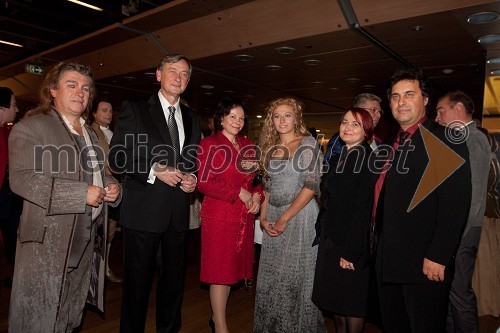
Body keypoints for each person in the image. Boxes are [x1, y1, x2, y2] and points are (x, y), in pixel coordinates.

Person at [8, 62, 121, 332]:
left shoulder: (90, 133)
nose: (80, 93)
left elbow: (101, 173)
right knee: (38, 318)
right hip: (48, 243)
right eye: (71, 85)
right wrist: (80, 193)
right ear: (53, 90)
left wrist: (113, 186)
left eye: (85, 88)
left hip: (87, 239)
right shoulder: (32, 127)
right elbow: (22, 179)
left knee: (71, 314)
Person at [108, 54, 201, 333]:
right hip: (143, 212)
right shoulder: (135, 109)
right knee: (137, 288)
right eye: (172, 71)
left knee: (173, 287)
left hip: (177, 214)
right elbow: (117, 157)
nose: (178, 77)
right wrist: (153, 169)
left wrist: (192, 178)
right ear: (158, 75)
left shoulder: (192, 117)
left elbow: (192, 160)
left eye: (184, 74)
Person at [374, 68, 471, 333]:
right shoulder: (391, 142)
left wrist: (439, 255)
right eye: (395, 97)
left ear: (425, 99)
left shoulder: (445, 138)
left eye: (408, 95)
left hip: (424, 262)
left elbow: (456, 203)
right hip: (387, 258)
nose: (401, 102)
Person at [254, 97, 325, 333]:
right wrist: (263, 219)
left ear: (296, 118)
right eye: (277, 116)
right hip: (273, 215)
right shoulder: (269, 148)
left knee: (295, 278)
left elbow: (311, 185)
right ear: (271, 121)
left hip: (300, 217)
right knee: (273, 278)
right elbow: (267, 186)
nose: (282, 120)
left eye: (287, 115)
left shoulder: (307, 144)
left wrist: (285, 218)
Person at [197, 97, 263, 333]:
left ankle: (216, 319)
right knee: (220, 272)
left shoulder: (248, 145)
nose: (237, 121)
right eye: (232, 116)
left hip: (242, 218)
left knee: (230, 273)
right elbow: (203, 183)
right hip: (219, 217)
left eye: (242, 118)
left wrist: (256, 196)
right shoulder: (209, 144)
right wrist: (239, 193)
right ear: (221, 118)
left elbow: (256, 181)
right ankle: (221, 326)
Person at [312, 108, 376, 333]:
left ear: (366, 130)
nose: (347, 127)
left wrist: (350, 251)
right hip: (332, 238)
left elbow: (362, 210)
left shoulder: (367, 158)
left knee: (351, 306)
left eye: (355, 124)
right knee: (335, 302)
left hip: (350, 243)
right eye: (345, 122)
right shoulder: (340, 156)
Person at [434, 91, 490, 333]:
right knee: (451, 293)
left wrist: (457, 234)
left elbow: (475, 195)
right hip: (460, 229)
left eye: (441, 111)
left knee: (459, 293)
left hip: (465, 230)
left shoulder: (474, 139)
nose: (437, 118)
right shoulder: (460, 138)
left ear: (458, 108)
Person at [89, 97, 122, 283]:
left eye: (110, 111)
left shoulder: (112, 133)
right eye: (104, 110)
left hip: (113, 187)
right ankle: (96, 272)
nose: (108, 114)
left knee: (109, 231)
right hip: (98, 187)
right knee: (98, 232)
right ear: (94, 113)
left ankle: (104, 268)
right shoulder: (91, 133)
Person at [323, 93, 383, 169]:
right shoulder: (342, 139)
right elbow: (329, 168)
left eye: (379, 112)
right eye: (373, 110)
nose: (378, 115)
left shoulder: (378, 140)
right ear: (359, 111)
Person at [0, 87, 21, 285]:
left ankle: (17, 278)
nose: (16, 109)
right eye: (13, 105)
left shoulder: (7, 131)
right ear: (2, 107)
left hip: (9, 197)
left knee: (12, 240)